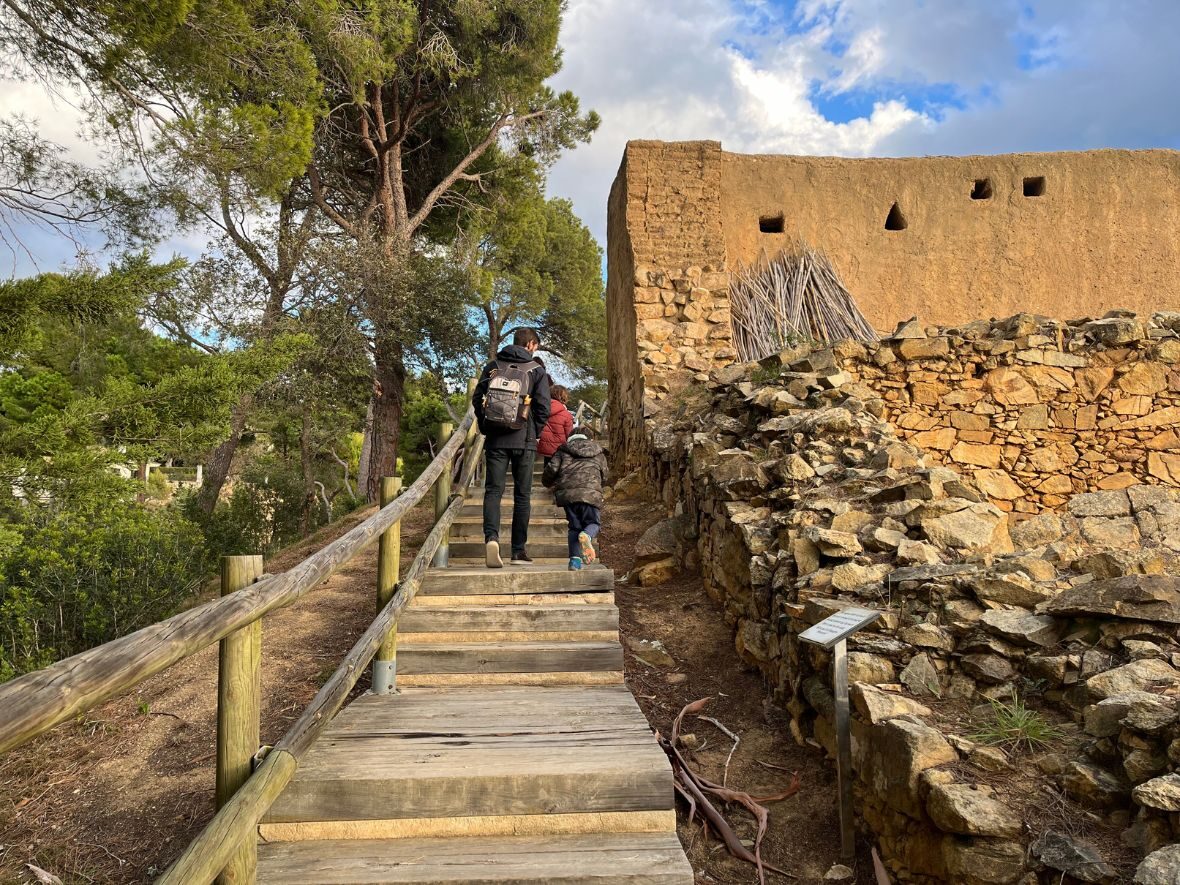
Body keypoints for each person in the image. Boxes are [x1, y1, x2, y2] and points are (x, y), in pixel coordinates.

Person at [473, 328, 551, 568]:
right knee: (522, 495)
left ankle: (491, 538)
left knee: (493, 491)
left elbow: (477, 398)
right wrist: (533, 432)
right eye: (536, 345)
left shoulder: (493, 366)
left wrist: (486, 427)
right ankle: (518, 551)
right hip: (524, 441)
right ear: (530, 344)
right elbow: (543, 408)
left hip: (496, 439)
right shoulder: (536, 370)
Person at [542, 424, 608, 571]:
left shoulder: (563, 450)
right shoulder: (598, 452)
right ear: (589, 438)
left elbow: (551, 469)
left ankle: (575, 562)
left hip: (568, 495)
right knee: (593, 523)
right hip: (591, 493)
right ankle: (587, 535)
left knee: (574, 528)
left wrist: (547, 483)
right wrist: (598, 484)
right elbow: (605, 474)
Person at [537, 384, 574, 468]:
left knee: (547, 471)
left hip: (544, 447)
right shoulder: (566, 414)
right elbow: (569, 435)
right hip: (559, 450)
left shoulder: (541, 410)